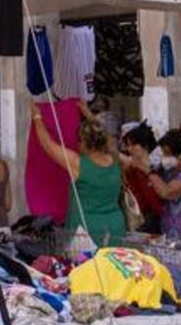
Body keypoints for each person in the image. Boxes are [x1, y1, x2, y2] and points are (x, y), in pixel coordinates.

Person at [32, 101, 125, 244]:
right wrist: (88, 114)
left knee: (86, 266)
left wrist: (37, 116)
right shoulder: (115, 159)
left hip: (87, 231)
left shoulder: (79, 164)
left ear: (84, 143)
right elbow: (107, 138)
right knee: (112, 265)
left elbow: (47, 144)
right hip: (115, 227)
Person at [149, 130, 181, 247]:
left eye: (167, 153)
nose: (164, 157)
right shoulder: (168, 171)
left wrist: (150, 172)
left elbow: (167, 192)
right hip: (167, 233)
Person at [122, 123, 164, 233]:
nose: (129, 149)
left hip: (158, 222)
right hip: (139, 219)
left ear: (145, 146)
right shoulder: (130, 170)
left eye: (133, 145)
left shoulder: (158, 168)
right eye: (127, 145)